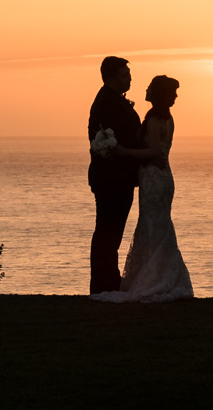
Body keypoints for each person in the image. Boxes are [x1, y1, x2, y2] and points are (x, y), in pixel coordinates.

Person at [90, 73, 194, 302]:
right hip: (159, 176)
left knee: (154, 225)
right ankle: (156, 273)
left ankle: (155, 277)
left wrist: (123, 152)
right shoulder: (166, 118)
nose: (144, 88)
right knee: (156, 225)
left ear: (155, 93)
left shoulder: (156, 119)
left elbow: (155, 151)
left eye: (149, 87)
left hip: (154, 177)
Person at [86, 56, 159, 295]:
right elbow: (115, 140)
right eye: (125, 75)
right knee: (107, 232)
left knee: (110, 233)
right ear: (110, 78)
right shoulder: (107, 103)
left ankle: (107, 282)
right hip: (111, 178)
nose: (129, 78)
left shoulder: (111, 100)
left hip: (118, 177)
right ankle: (104, 284)